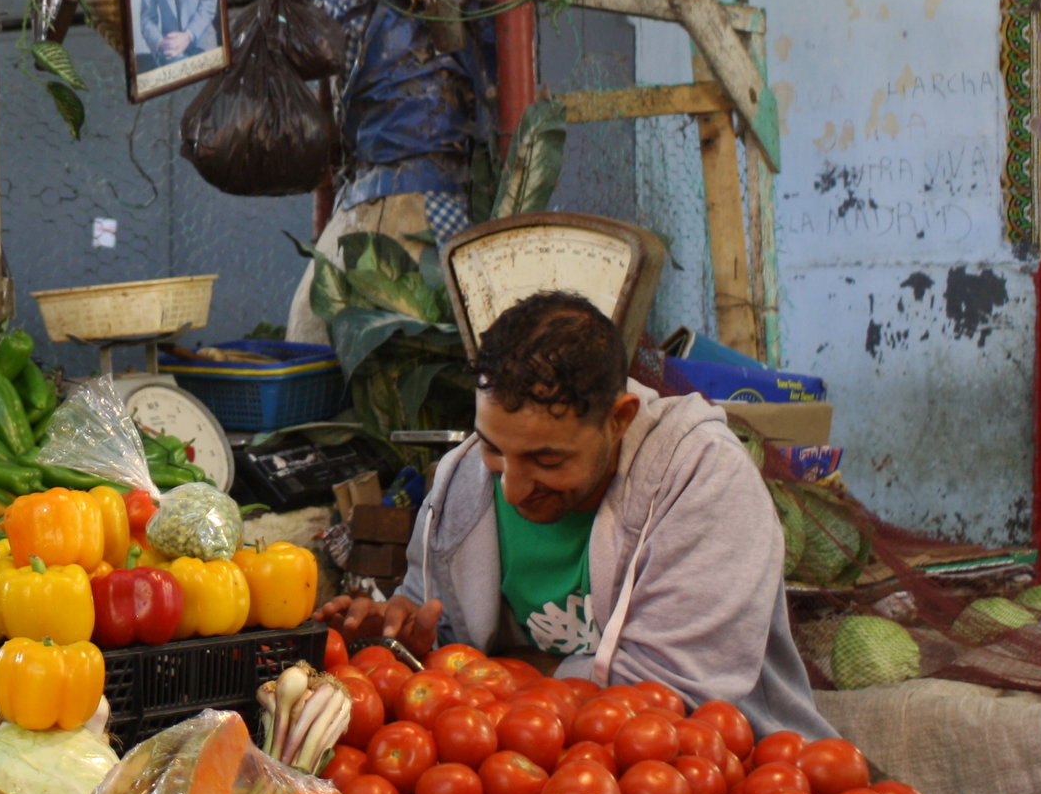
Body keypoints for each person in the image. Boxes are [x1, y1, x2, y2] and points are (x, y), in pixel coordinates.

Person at [320, 290, 833, 736]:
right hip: (539, 769)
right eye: (494, 448)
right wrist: (406, 643)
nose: (515, 491)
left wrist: (496, 675)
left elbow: (669, 700)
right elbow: (441, 644)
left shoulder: (702, 477)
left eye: (547, 460)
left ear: (619, 420)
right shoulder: (461, 486)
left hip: (719, 776)